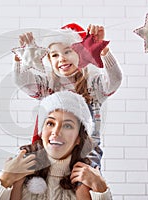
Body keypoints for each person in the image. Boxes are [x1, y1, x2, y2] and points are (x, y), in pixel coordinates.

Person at [12, 23, 123, 169]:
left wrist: (103, 51)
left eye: (68, 51)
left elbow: (115, 80)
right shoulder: (48, 86)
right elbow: (22, 81)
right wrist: (23, 58)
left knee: (85, 184)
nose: (62, 58)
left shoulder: (92, 86)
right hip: (53, 149)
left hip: (85, 153)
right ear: (50, 61)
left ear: (81, 54)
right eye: (55, 55)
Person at [0, 91, 112, 199]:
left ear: (79, 138)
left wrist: (101, 189)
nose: (56, 132)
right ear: (41, 131)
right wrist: (5, 179)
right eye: (50, 123)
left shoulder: (86, 177)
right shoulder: (21, 171)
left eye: (67, 126)